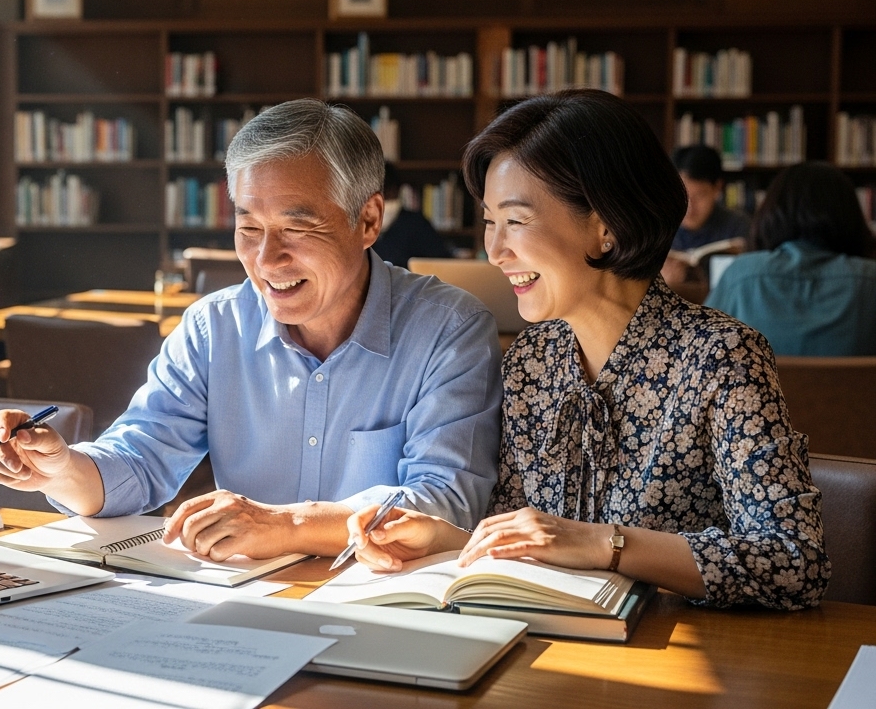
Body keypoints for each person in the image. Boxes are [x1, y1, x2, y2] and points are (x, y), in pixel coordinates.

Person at [348, 89, 829, 610]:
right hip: (551, 646)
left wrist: (605, 544)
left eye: (515, 220)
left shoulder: (725, 357)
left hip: (677, 661)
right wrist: (451, 539)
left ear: (605, 227)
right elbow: (529, 539)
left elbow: (793, 560)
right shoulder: (532, 361)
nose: (494, 250)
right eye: (490, 221)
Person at [0, 98, 503, 562]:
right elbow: (141, 460)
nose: (265, 258)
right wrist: (63, 469)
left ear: (368, 221)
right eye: (248, 227)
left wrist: (287, 526)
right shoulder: (214, 328)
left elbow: (445, 503)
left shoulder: (449, 330)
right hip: (242, 601)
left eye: (296, 228)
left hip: (386, 606)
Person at [706, 162, 876, 356]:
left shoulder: (741, 275)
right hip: (853, 388)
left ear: (771, 212)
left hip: (762, 387)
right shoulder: (870, 280)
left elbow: (699, 353)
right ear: (852, 216)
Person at [662, 145, 749, 288]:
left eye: (700, 195)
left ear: (717, 188)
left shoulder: (738, 227)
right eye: (681, 195)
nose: (690, 206)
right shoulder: (657, 227)